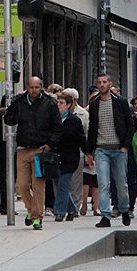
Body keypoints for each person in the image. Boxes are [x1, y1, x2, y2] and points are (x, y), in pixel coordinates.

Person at [4, 76, 62, 230]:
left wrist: (50, 144)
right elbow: (8, 117)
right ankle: (31, 210)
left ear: (41, 87)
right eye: (31, 87)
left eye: (37, 87)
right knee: (21, 185)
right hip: (23, 148)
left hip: (40, 150)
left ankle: (37, 218)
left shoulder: (49, 103)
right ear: (27, 87)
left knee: (38, 186)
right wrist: (14, 118)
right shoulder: (19, 101)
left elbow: (57, 127)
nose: (34, 90)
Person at [86, 73, 135, 227]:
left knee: (121, 183)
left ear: (110, 83)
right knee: (103, 183)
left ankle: (124, 209)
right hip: (101, 150)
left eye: (104, 82)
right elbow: (92, 129)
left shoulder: (120, 102)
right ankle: (105, 216)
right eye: (99, 82)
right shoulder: (94, 105)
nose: (102, 85)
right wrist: (89, 151)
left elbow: (130, 125)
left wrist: (125, 146)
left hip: (119, 149)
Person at [54, 93, 86, 222]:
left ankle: (59, 212)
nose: (59, 105)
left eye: (61, 103)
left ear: (68, 105)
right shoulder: (53, 119)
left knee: (63, 184)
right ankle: (72, 209)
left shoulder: (74, 120)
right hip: (55, 157)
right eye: (58, 102)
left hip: (70, 157)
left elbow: (81, 139)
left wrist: (88, 153)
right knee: (60, 185)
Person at [64, 88, 88, 216]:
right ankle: (66, 206)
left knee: (76, 183)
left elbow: (86, 135)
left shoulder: (83, 114)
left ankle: (74, 208)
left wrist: (88, 153)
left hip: (78, 153)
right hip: (62, 153)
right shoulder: (57, 113)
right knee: (62, 182)